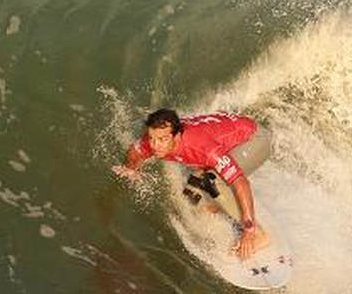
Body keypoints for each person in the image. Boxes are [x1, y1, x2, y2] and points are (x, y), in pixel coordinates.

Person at [113, 108, 272, 259]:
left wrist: (248, 229)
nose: (156, 145)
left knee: (212, 183)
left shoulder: (203, 148)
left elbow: (240, 182)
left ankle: (258, 234)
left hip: (254, 139)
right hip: (223, 138)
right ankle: (218, 204)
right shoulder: (154, 140)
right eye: (152, 139)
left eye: (163, 139)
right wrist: (131, 169)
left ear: (176, 136)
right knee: (192, 195)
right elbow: (135, 152)